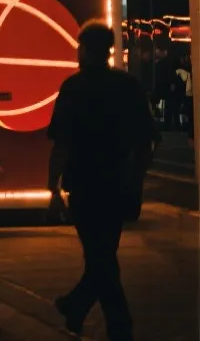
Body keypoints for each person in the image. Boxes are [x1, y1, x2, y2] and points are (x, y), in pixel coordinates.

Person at [47, 22, 154, 341]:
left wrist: (52, 187)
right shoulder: (129, 86)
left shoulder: (74, 87)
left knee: (99, 257)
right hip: (118, 182)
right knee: (104, 254)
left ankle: (113, 323)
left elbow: (61, 144)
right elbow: (146, 140)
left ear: (85, 49)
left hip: (84, 182)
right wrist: (137, 177)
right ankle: (77, 308)